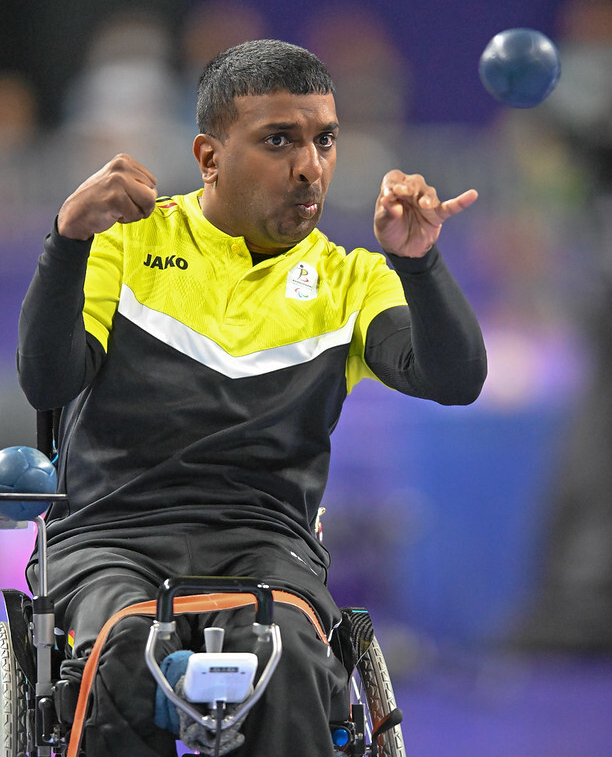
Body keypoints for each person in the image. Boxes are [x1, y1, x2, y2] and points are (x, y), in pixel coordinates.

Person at [17, 39, 487, 757]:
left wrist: (418, 264)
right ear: (210, 157)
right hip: (111, 536)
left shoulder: (353, 280)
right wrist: (68, 241)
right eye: (279, 140)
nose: (310, 166)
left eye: (324, 140)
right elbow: (47, 382)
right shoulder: (126, 243)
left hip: (267, 544)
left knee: (289, 658)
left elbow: (456, 381)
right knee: (122, 654)